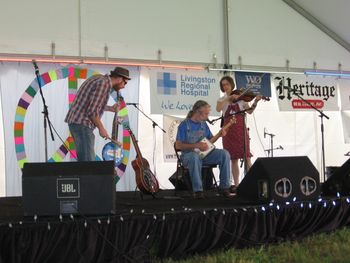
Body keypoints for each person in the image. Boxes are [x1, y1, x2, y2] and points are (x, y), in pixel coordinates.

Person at [65, 67, 130, 161]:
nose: (124, 86)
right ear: (119, 78)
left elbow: (90, 103)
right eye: (125, 82)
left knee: (85, 160)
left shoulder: (98, 78)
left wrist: (110, 108)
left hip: (77, 122)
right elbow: (92, 111)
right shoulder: (104, 84)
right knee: (88, 163)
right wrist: (101, 128)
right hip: (82, 124)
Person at [175, 100, 232, 198]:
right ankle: (198, 191)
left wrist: (219, 135)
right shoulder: (184, 125)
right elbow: (178, 145)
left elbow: (210, 142)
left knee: (224, 154)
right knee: (194, 156)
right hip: (189, 156)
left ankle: (224, 188)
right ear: (198, 112)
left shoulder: (204, 125)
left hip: (204, 155)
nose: (208, 116)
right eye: (206, 113)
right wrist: (196, 145)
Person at [216, 75, 261, 193]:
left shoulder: (241, 98)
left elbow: (250, 111)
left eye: (227, 84)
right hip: (228, 131)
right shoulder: (222, 99)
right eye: (223, 85)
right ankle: (236, 185)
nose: (225, 86)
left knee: (247, 157)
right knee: (233, 159)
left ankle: (251, 183)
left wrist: (255, 101)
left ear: (232, 85)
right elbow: (217, 108)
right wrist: (228, 98)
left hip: (241, 130)